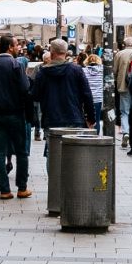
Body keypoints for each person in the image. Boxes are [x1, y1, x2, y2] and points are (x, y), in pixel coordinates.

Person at [0, 37, 33, 200]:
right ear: (10, 47)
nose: (19, 48)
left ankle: (4, 190)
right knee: (21, 152)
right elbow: (25, 90)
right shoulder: (16, 65)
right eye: (17, 46)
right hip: (15, 113)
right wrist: (30, 115)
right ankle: (22, 188)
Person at [31, 39, 97, 172]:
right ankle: (72, 186)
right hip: (74, 118)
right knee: (74, 154)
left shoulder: (43, 72)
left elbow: (35, 96)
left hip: (51, 119)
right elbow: (87, 95)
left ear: (52, 52)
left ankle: (54, 187)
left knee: (52, 154)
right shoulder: (76, 70)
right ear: (66, 52)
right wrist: (91, 118)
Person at [114, 36, 132, 149]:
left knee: (124, 112)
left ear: (124, 44)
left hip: (123, 86)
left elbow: (114, 71)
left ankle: (126, 132)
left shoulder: (119, 54)